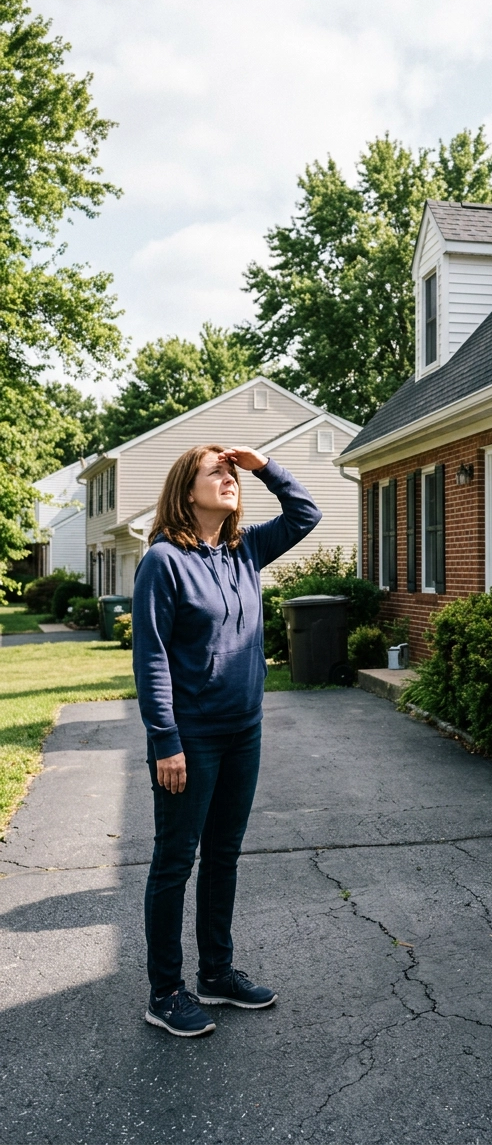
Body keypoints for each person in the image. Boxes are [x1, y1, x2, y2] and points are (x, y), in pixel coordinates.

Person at [133, 444, 321, 1037]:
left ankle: (216, 974)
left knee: (223, 856)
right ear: (187, 492)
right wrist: (165, 740)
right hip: (190, 739)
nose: (229, 479)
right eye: (216, 473)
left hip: (244, 731)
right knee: (174, 861)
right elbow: (152, 657)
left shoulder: (244, 550)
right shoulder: (163, 561)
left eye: (232, 473)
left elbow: (305, 513)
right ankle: (165, 992)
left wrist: (264, 466)